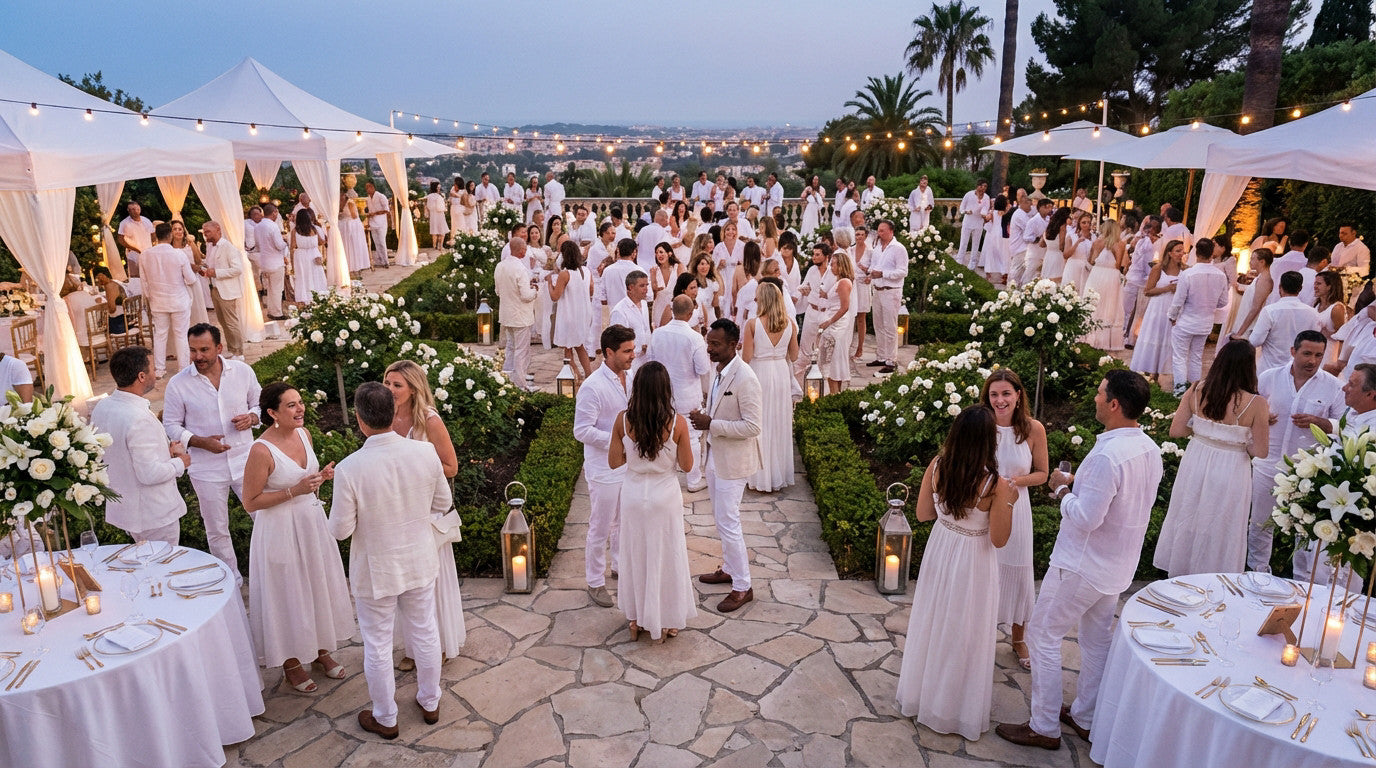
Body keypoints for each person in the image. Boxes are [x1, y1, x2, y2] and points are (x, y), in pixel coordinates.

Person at [997, 370, 1163, 751]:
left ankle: (1043, 726)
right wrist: (1079, 487)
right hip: (1117, 567)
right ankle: (1086, 716)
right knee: (1095, 642)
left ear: (1115, 404)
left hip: (1081, 566)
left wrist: (1061, 491)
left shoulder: (1107, 455)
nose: (1095, 398)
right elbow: (1127, 503)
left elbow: (1087, 518)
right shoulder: (1149, 449)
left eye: (1100, 393)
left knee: (1042, 635)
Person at [328, 382, 452, 741]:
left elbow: (340, 530)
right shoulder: (424, 454)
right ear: (392, 411)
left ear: (359, 418)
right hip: (419, 560)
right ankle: (430, 701)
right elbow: (442, 503)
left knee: (378, 644)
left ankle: (386, 717)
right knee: (425, 631)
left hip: (376, 569)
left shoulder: (350, 468)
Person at [897, 405, 1015, 738]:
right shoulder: (995, 485)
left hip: (941, 548)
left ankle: (921, 696)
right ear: (988, 441)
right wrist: (1009, 502)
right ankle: (952, 709)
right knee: (965, 631)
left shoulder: (937, 466)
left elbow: (923, 514)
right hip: (974, 559)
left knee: (933, 621)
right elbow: (1000, 539)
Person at [241, 382, 354, 694]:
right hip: (279, 530)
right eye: (291, 405)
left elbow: (306, 484)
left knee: (315, 586)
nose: (300, 408)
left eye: (300, 401)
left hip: (311, 523)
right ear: (272, 413)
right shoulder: (261, 450)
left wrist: (319, 480)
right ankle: (291, 662)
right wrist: (295, 490)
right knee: (288, 592)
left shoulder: (304, 434)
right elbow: (250, 501)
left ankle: (319, 650)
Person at [1153, 339, 1268, 576]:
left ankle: (1181, 572)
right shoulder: (1257, 404)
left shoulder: (1196, 389)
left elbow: (1177, 430)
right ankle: (1214, 576)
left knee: (1189, 514)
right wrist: (1242, 438)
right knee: (1222, 525)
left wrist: (1204, 431)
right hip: (1232, 467)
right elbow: (1261, 451)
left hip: (1196, 459)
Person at [606, 361, 697, 642]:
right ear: (666, 389)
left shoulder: (622, 420)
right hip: (664, 497)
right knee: (667, 556)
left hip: (634, 495)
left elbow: (613, 462)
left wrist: (634, 455)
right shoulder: (677, 423)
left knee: (636, 555)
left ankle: (636, 618)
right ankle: (667, 619)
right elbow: (688, 465)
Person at [162, 323, 259, 581]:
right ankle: (231, 582)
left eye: (204, 350)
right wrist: (199, 442)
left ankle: (271, 572)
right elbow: (170, 424)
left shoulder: (242, 372)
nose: (198, 356)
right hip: (206, 470)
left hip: (246, 461)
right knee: (217, 530)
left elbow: (259, 404)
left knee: (262, 518)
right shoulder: (178, 383)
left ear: (219, 348)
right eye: (193, 350)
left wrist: (252, 417)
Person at [384, 360, 463, 669]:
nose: (390, 389)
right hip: (395, 509)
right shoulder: (384, 418)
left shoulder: (429, 421)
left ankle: (437, 644)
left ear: (414, 389)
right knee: (405, 580)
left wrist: (413, 467)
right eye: (387, 383)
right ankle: (412, 646)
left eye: (397, 385)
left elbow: (451, 467)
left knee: (431, 580)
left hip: (427, 509)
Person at [1248, 330, 1343, 572]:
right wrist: (1261, 418)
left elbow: (1345, 425)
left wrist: (1322, 423)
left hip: (1307, 472)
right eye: (1307, 353)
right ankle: (1257, 571)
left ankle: (1302, 579)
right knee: (1260, 523)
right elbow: (1249, 410)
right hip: (1267, 464)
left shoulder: (1333, 387)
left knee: (1306, 528)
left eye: (1319, 355)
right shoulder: (1269, 378)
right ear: (1293, 351)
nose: (1312, 360)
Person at [689, 319, 763, 613]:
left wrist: (711, 423)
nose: (709, 349)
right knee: (721, 520)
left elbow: (753, 426)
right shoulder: (719, 371)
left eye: (715, 344)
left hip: (734, 461)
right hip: (714, 456)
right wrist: (705, 416)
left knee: (729, 522)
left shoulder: (746, 378)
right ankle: (730, 569)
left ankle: (743, 586)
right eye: (708, 343)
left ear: (734, 345)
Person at [981, 370, 1048, 671]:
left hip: (1017, 507)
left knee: (1018, 570)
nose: (1000, 400)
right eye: (994, 394)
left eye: (1006, 393)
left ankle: (1019, 638)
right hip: (984, 506)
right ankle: (980, 634)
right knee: (984, 570)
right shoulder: (982, 426)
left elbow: (1042, 474)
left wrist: (1014, 481)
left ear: (1018, 395)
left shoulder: (1033, 429)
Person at [91, 346, 190, 544]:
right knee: (163, 562)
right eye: (153, 368)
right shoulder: (138, 417)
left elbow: (119, 452)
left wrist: (165, 450)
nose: (156, 373)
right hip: (153, 514)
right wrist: (181, 462)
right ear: (142, 376)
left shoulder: (102, 407)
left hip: (128, 511)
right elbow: (149, 474)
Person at [574, 325, 635, 608]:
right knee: (600, 526)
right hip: (603, 469)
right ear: (609, 352)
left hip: (628, 466)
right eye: (627, 351)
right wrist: (617, 439)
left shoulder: (631, 376)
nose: (632, 355)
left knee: (624, 521)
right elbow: (581, 430)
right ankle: (595, 581)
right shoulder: (592, 387)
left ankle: (620, 566)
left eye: (632, 349)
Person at [743, 284, 798, 492]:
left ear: (764, 299)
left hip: (760, 373)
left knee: (760, 421)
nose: (755, 300)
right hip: (781, 373)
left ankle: (759, 476)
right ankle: (778, 474)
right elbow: (794, 356)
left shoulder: (752, 324)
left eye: (757, 296)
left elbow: (746, 358)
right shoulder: (790, 324)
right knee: (779, 421)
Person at [1168, 238, 1230, 395]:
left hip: (1186, 321)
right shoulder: (1220, 275)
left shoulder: (1188, 274)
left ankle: (1180, 392)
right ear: (1212, 253)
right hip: (1205, 323)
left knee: (1180, 358)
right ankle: (1194, 392)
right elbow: (1223, 302)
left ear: (1196, 253)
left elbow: (1178, 301)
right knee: (1196, 357)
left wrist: (1172, 317)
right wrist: (1208, 304)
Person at [141, 222, 197, 378]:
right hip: (179, 300)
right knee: (181, 334)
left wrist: (150, 297)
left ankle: (159, 369)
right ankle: (183, 368)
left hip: (158, 301)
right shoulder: (178, 254)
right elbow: (191, 279)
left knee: (160, 334)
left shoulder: (145, 255)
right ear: (170, 235)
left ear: (156, 236)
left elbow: (144, 282)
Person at [1129, 239, 1185, 382]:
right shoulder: (1158, 269)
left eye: (1182, 251)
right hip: (1158, 307)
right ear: (1169, 253)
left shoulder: (1185, 270)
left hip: (1174, 309)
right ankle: (1149, 372)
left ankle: (1158, 373)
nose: (1181, 254)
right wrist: (1167, 288)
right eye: (1178, 251)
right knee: (1154, 337)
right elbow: (1147, 291)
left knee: (1168, 339)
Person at [1248, 270, 1321, 374]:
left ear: (1279, 287)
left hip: (1270, 369)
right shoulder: (1312, 313)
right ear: (1300, 288)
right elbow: (1315, 341)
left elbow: (1255, 341)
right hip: (1297, 371)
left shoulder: (1270, 311)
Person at [494, 238, 539, 391]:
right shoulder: (520, 268)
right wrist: (535, 290)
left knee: (511, 347)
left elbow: (498, 291)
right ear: (521, 251)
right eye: (525, 249)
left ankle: (507, 379)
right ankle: (521, 384)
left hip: (506, 315)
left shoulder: (500, 266)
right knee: (521, 350)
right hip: (521, 316)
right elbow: (526, 295)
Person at [198, 222, 246, 359]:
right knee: (223, 322)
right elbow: (210, 265)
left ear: (218, 229)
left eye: (207, 231)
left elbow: (237, 269)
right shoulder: (210, 247)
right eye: (204, 232)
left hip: (227, 289)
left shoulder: (228, 247)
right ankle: (232, 349)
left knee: (231, 322)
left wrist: (216, 273)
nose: (205, 234)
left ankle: (239, 352)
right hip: (214, 288)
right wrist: (203, 269)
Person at [868, 221, 910, 374]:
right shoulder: (877, 248)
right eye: (879, 231)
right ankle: (881, 356)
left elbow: (903, 271)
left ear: (891, 231)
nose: (879, 234)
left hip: (891, 290)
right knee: (878, 325)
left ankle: (891, 360)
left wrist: (883, 274)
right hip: (877, 290)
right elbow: (874, 266)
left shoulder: (899, 249)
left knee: (890, 326)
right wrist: (870, 273)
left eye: (882, 231)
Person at [549, 240, 594, 380]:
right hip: (584, 313)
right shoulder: (586, 271)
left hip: (569, 314)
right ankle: (588, 375)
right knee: (580, 346)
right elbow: (591, 291)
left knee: (568, 348)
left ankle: (576, 376)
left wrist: (550, 283)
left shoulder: (565, 274)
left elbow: (555, 296)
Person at [1082, 219, 1128, 350]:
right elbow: (1118, 264)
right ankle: (1105, 341)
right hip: (1110, 276)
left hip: (1096, 275)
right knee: (1109, 306)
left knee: (1094, 305)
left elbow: (1091, 261)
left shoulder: (1097, 242)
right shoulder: (1120, 244)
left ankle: (1090, 337)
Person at [819, 249, 856, 393]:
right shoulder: (839, 281)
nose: (831, 267)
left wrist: (829, 322)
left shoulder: (843, 283)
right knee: (832, 358)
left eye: (833, 264)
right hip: (833, 320)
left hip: (837, 325)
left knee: (832, 360)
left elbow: (845, 307)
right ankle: (835, 393)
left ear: (841, 266)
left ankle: (834, 393)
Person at [1123, 215, 1161, 346]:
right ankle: (1128, 335)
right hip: (1138, 279)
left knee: (1130, 311)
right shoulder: (1145, 243)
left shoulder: (1145, 243)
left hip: (1136, 279)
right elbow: (1145, 263)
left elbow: (1144, 263)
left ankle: (1128, 335)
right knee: (1132, 311)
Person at [169, 221, 210, 326]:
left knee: (196, 308)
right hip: (177, 282)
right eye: (175, 229)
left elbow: (198, 261)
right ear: (171, 232)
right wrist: (188, 265)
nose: (178, 231)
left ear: (183, 231)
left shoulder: (189, 244)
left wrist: (196, 267)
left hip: (192, 280)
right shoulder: (169, 248)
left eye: (180, 229)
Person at [1229, 248, 1275, 339]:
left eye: (1253, 259)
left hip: (1250, 327)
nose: (1250, 262)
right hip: (1245, 320)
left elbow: (1256, 308)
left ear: (1262, 262)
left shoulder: (1265, 279)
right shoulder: (1260, 277)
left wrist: (1240, 333)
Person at [610, 270, 652, 370]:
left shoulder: (644, 304)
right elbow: (617, 341)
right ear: (631, 288)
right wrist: (639, 348)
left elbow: (646, 329)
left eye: (647, 285)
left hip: (647, 359)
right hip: (631, 363)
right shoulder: (619, 311)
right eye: (642, 286)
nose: (646, 289)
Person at [255, 204, 288, 319]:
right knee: (277, 289)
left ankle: (271, 311)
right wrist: (285, 242)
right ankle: (277, 313)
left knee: (270, 289)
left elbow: (257, 245)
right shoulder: (273, 226)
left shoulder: (257, 226)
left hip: (264, 262)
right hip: (275, 262)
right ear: (274, 213)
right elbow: (279, 245)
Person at [290, 209, 329, 304]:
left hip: (301, 256)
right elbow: (321, 242)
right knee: (316, 276)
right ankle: (319, 296)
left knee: (303, 277)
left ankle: (305, 298)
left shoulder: (295, 231)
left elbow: (292, 247)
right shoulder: (314, 229)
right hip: (314, 255)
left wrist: (292, 265)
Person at [648, 242, 683, 328]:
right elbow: (653, 295)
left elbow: (683, 287)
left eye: (661, 252)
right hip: (659, 307)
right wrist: (653, 280)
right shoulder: (654, 270)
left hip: (675, 306)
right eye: (656, 253)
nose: (658, 255)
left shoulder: (678, 267)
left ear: (669, 253)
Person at [956, 181, 990, 268]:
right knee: (964, 241)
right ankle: (960, 259)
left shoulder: (986, 197)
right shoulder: (969, 194)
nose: (983, 189)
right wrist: (966, 211)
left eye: (985, 187)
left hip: (978, 223)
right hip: (968, 221)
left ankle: (972, 262)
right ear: (977, 186)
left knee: (976, 243)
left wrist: (983, 214)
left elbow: (986, 208)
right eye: (982, 186)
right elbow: (962, 207)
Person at [117, 201, 155, 277]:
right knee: (135, 277)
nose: (135, 211)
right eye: (132, 209)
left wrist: (151, 246)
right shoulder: (124, 223)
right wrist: (132, 248)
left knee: (149, 275)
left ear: (139, 209)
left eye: (137, 209)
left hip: (147, 253)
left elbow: (153, 234)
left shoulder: (146, 221)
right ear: (128, 210)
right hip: (133, 254)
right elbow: (120, 239)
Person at [1060, 212, 1093, 294]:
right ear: (1079, 223)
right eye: (1084, 222)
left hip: (1086, 269)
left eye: (1089, 222)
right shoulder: (1071, 236)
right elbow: (1065, 255)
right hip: (1073, 267)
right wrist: (1077, 242)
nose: (1086, 225)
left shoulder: (1094, 237)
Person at [339, 198, 371, 277]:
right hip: (348, 226)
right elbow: (354, 216)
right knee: (352, 246)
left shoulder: (340, 202)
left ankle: (350, 266)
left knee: (349, 246)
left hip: (344, 226)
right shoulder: (349, 202)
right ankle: (353, 266)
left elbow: (341, 215)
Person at [364, 181, 391, 269]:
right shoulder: (368, 199)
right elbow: (369, 211)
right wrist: (368, 222)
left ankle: (386, 261)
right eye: (366, 188)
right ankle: (380, 260)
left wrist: (375, 213)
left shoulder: (381, 196)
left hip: (381, 222)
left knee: (382, 242)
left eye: (368, 187)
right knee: (376, 242)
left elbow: (386, 210)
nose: (367, 189)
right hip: (372, 223)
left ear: (373, 187)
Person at [424, 182, 448, 249]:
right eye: (438, 188)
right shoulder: (439, 196)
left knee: (434, 230)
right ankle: (440, 246)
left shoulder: (429, 196)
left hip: (433, 215)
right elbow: (441, 207)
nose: (439, 189)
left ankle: (435, 246)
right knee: (442, 231)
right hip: (439, 214)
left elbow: (428, 206)